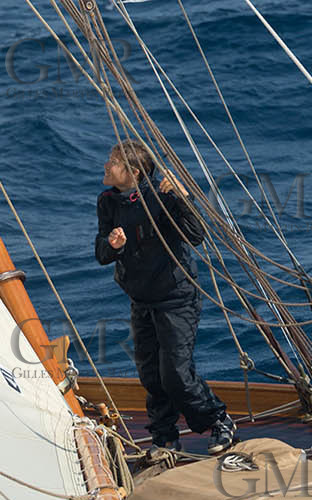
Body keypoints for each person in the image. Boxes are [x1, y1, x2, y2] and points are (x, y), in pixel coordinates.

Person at [95, 139, 234, 456]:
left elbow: (196, 236)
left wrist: (182, 199)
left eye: (113, 161)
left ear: (132, 172)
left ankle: (220, 421)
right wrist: (112, 246)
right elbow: (101, 253)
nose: (106, 165)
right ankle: (164, 437)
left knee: (176, 376)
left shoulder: (162, 196)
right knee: (151, 376)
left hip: (176, 298)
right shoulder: (108, 203)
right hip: (142, 300)